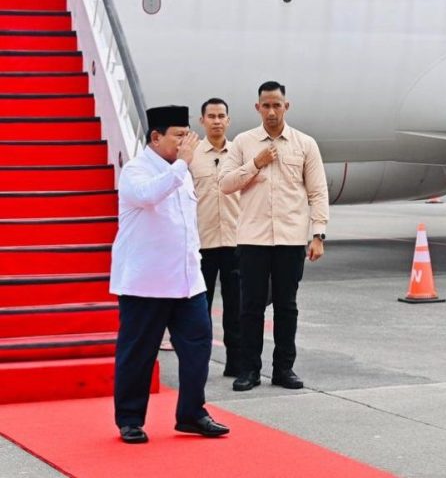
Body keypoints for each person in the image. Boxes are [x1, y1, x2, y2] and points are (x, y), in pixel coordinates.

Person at [110, 105, 230, 444]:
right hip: (146, 282)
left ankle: (192, 413)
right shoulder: (136, 171)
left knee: (198, 346)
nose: (185, 143)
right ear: (156, 137)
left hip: (186, 281)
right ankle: (130, 419)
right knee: (139, 352)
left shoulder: (180, 171)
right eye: (178, 136)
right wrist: (182, 164)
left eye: (186, 135)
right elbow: (149, 196)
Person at [220, 81, 329, 392]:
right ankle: (249, 370)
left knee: (286, 306)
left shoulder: (305, 144)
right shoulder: (243, 143)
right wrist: (255, 164)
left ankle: (283, 369)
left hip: (291, 239)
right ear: (257, 108)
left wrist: (318, 233)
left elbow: (318, 191)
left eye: (276, 105)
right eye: (265, 105)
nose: (271, 111)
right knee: (250, 307)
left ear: (286, 106)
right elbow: (225, 183)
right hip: (253, 238)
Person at [190, 98, 242, 376]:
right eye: (211, 116)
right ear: (202, 121)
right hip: (202, 244)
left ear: (229, 120)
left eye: (222, 115)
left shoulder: (240, 153)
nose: (217, 121)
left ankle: (236, 364)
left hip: (235, 242)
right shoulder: (192, 156)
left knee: (236, 308)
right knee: (200, 309)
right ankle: (200, 363)